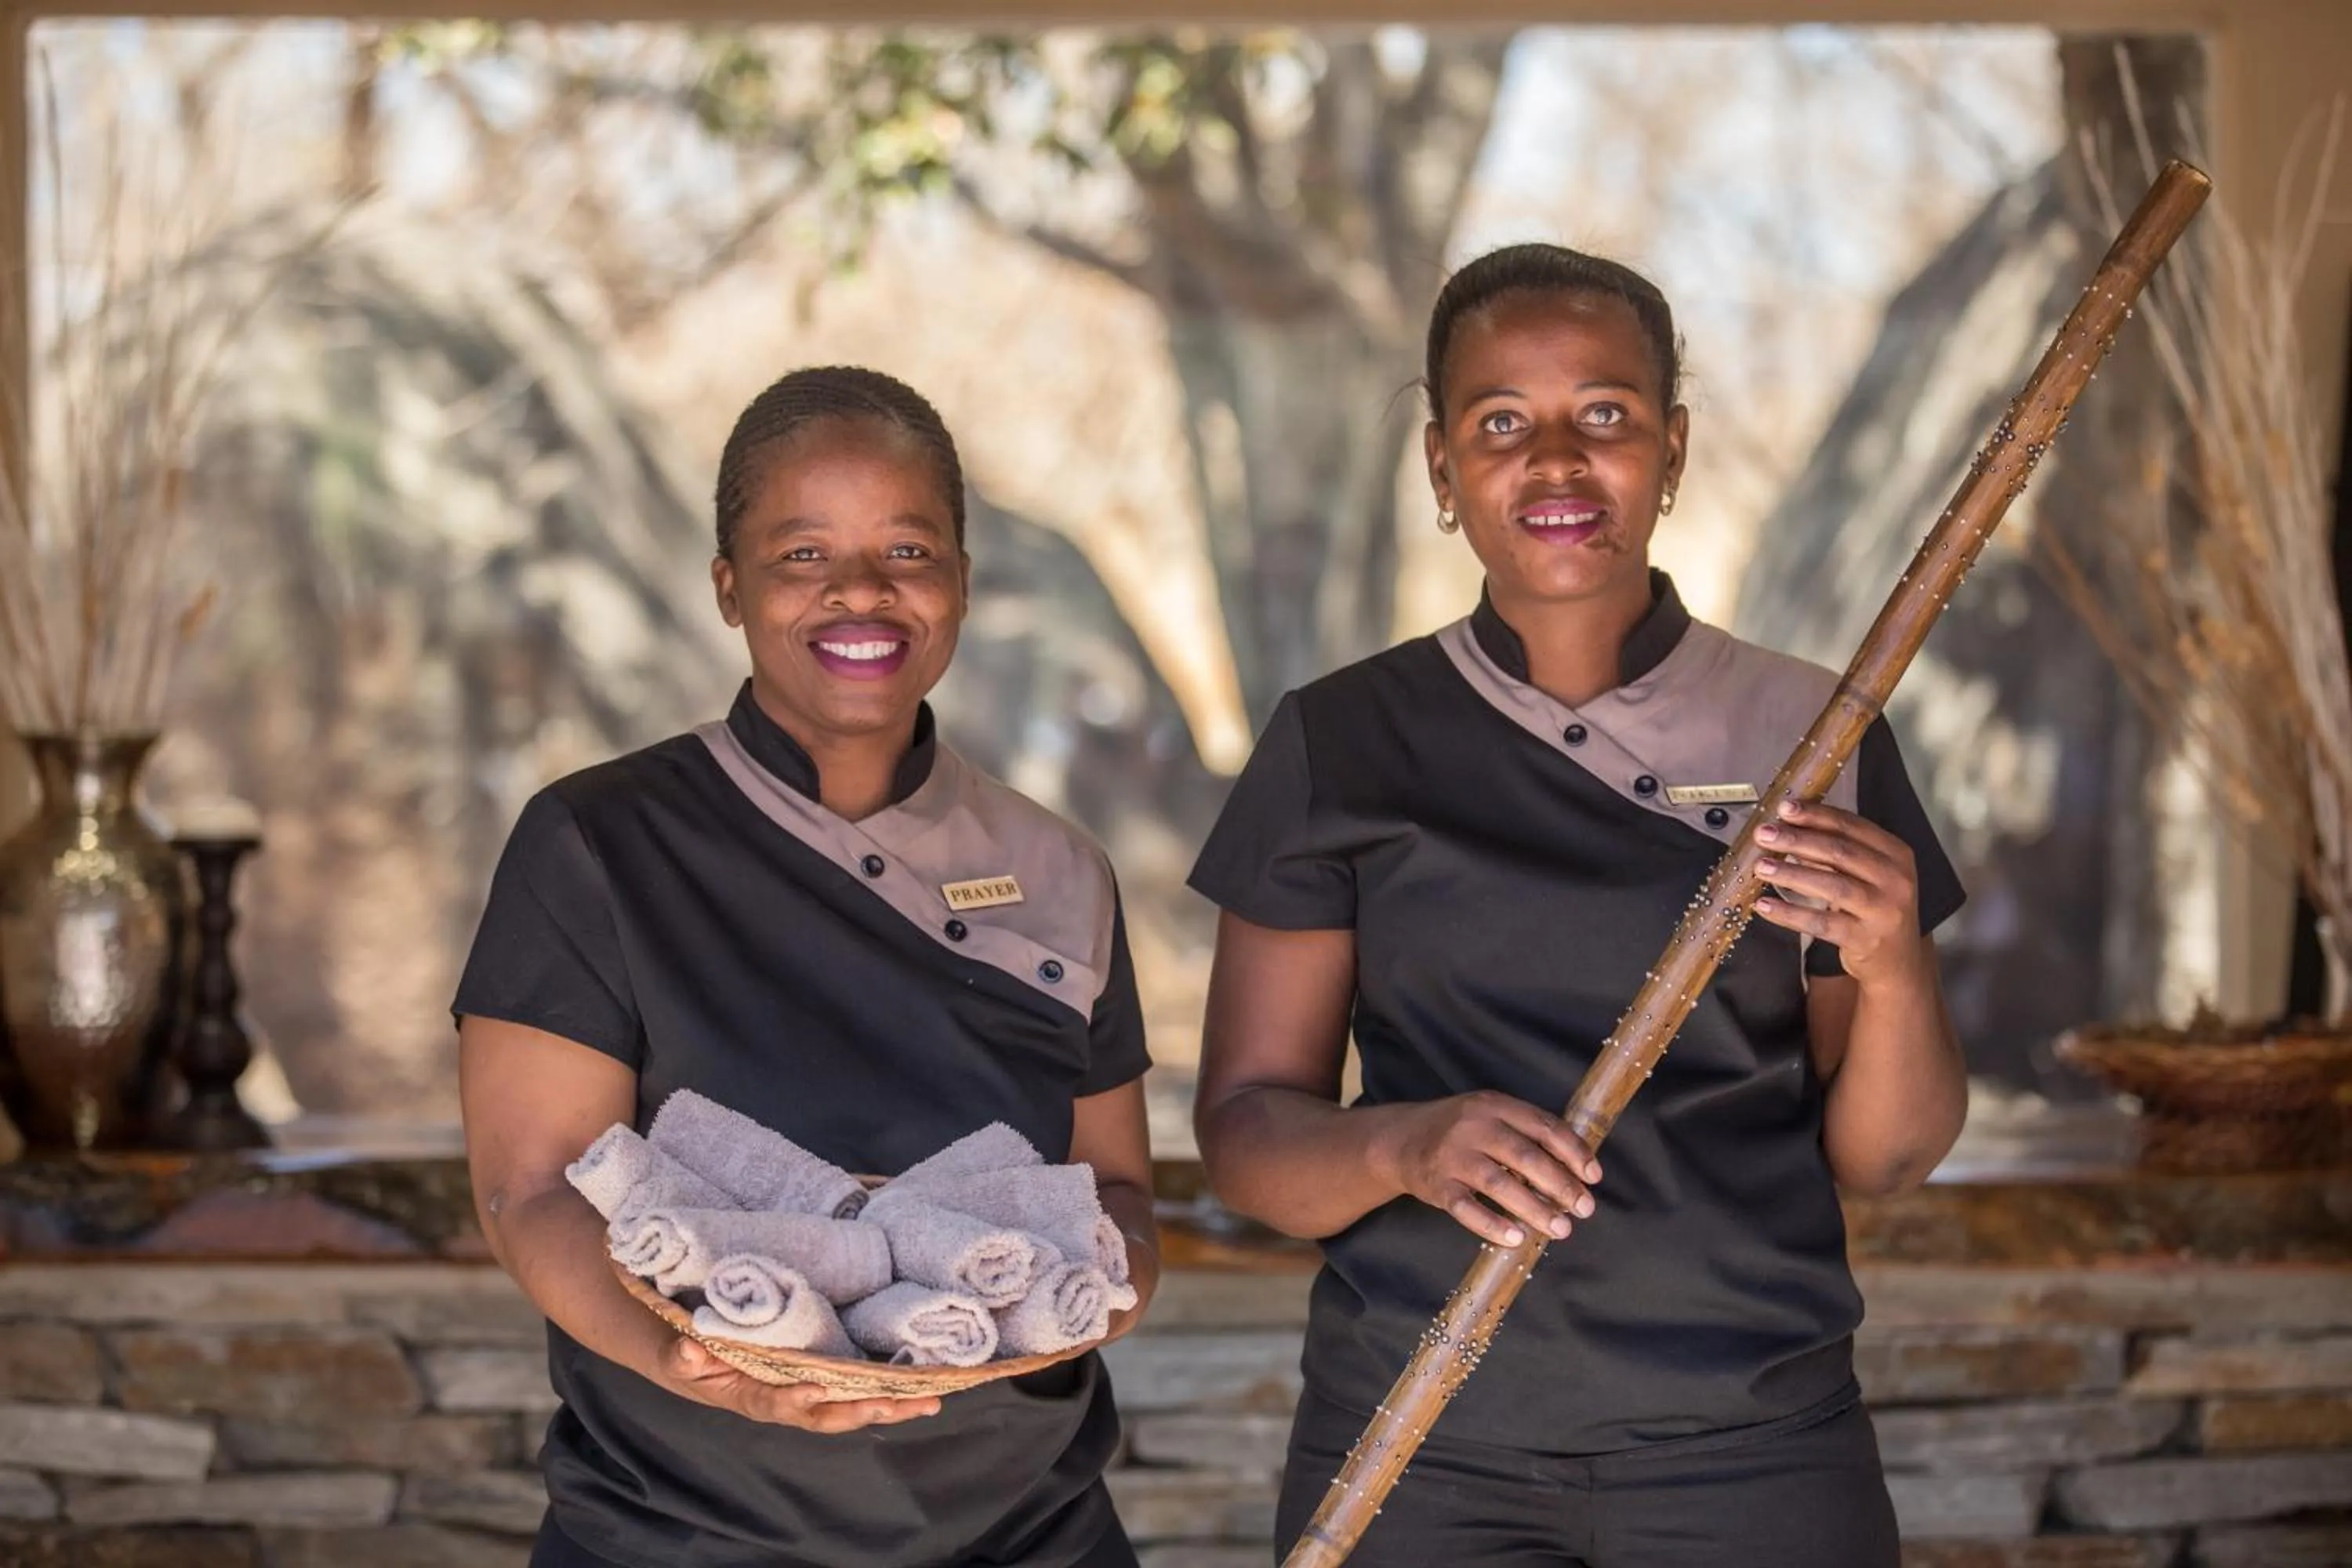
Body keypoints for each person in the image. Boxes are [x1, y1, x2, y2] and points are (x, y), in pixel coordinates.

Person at [1188, 244, 1967, 1567]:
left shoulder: (1810, 731)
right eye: (1502, 424)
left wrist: (1892, 968)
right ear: (1442, 469)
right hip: (1418, 1443)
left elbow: (1882, 1159)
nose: (1556, 461)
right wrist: (1404, 1148)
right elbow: (1250, 1135)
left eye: (1605, 416)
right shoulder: (1342, 743)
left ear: (1670, 450)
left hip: (1756, 1448)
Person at [456, 366, 1159, 1568]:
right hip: (680, 1528)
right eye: (801, 555)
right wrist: (709, 1368)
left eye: (908, 549)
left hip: (1030, 1531)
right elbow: (531, 1192)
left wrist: (1082, 1292)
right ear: (728, 587)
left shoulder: (1060, 869)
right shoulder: (600, 843)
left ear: (962, 585)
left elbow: (1119, 1199)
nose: (861, 592)